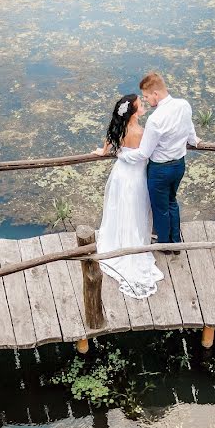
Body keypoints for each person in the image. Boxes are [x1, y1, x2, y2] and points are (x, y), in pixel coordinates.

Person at [114, 72, 200, 252]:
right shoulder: (184, 105)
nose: (146, 100)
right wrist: (194, 141)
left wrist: (122, 155)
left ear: (155, 94)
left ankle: (165, 245)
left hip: (160, 170)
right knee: (172, 202)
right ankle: (176, 242)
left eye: (146, 96)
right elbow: (189, 128)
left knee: (160, 208)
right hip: (179, 165)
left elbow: (144, 153)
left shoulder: (155, 119)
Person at [91, 94, 164, 299]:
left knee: (119, 208)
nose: (144, 107)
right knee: (135, 210)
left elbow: (107, 145)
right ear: (133, 112)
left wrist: (102, 151)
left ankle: (117, 241)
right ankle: (132, 245)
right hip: (136, 178)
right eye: (140, 105)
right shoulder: (141, 131)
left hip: (120, 175)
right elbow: (148, 153)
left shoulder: (119, 128)